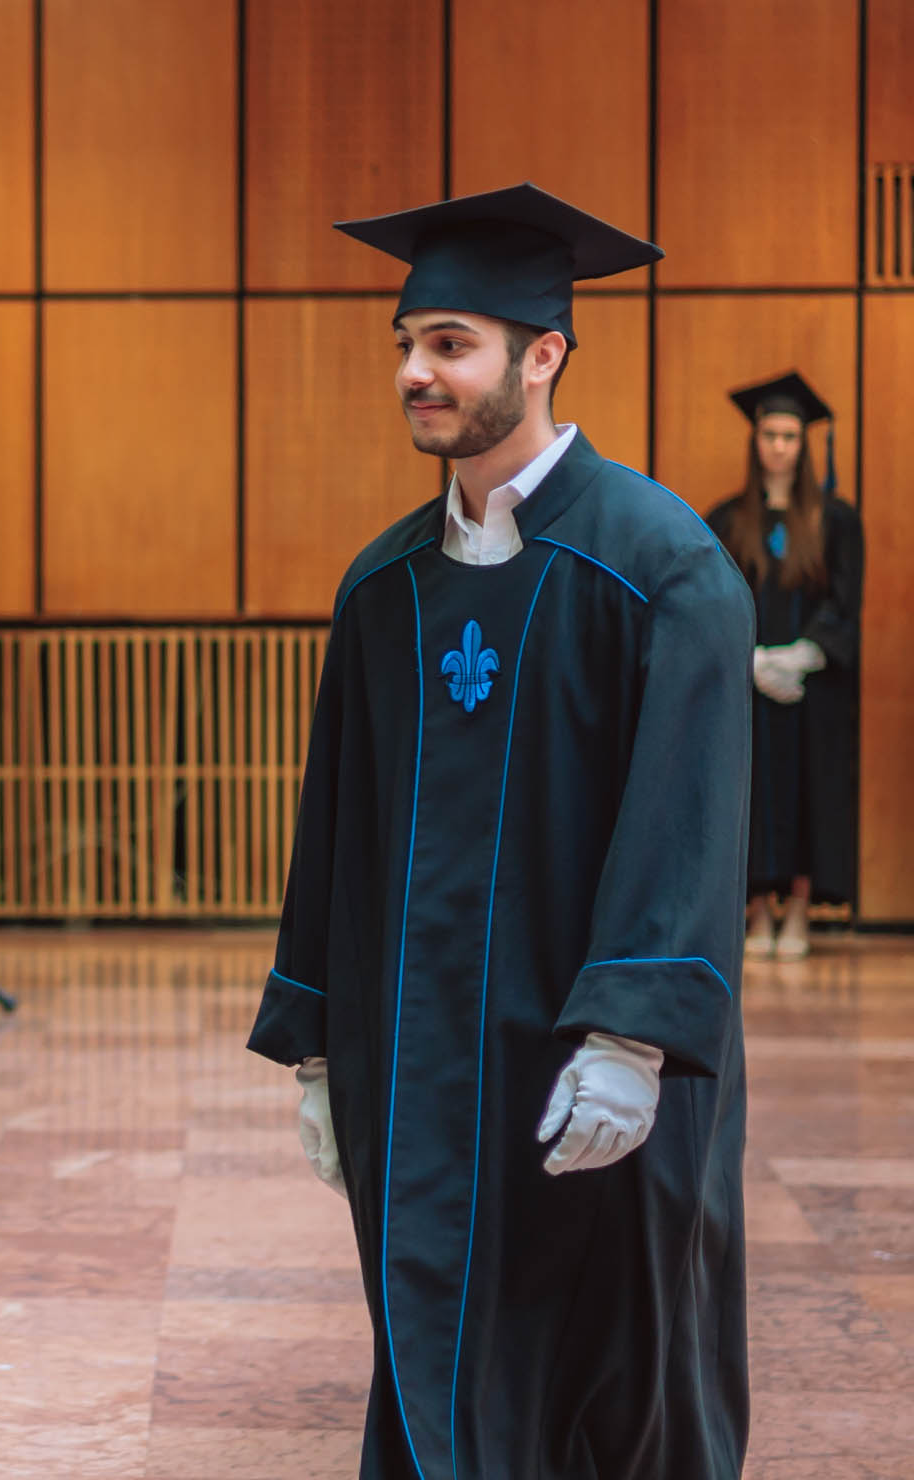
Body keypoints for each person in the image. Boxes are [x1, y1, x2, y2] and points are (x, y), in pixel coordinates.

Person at [249, 183, 753, 1479]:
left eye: (451, 344)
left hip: (595, 1080)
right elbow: (337, 836)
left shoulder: (662, 568)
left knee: (617, 1391)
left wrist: (632, 1035)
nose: (415, 372)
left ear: (542, 355)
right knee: (439, 1371)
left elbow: (687, 825)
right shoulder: (384, 588)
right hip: (421, 1081)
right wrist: (318, 1051)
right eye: (407, 343)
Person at [704, 372, 862, 960]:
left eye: (790, 436)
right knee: (750, 789)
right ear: (756, 441)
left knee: (808, 790)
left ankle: (798, 909)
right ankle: (757, 911)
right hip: (747, 686)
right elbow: (710, 602)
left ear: (803, 443)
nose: (779, 446)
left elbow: (845, 601)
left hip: (811, 690)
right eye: (770, 435)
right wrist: (748, 661)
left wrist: (803, 655)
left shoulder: (836, 521)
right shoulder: (726, 520)